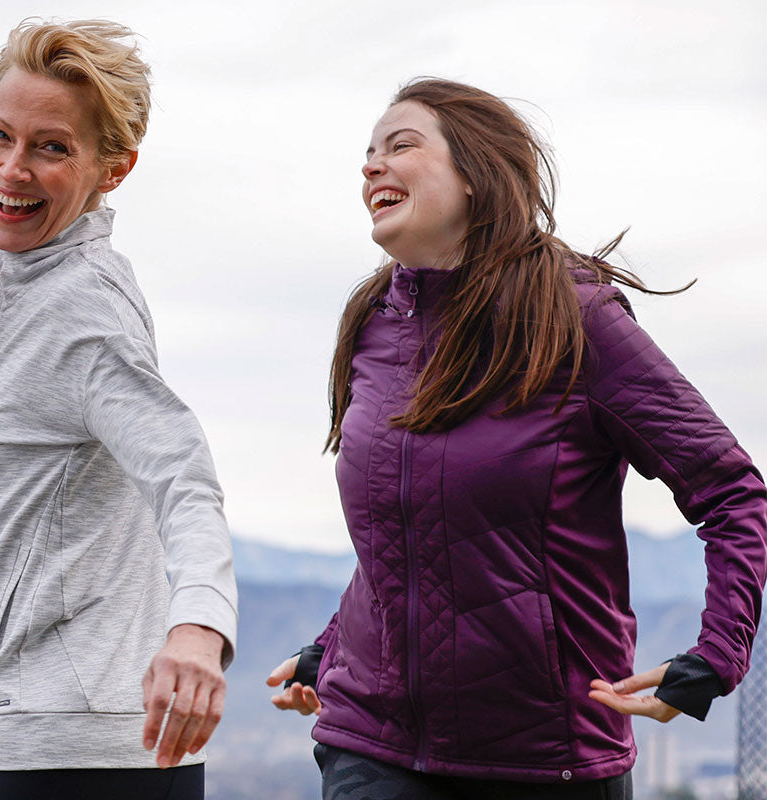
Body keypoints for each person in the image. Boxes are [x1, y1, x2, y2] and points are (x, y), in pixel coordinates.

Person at [265, 78, 767, 799]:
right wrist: (332, 648)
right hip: (371, 746)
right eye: (366, 154)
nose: (371, 166)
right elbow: (405, 533)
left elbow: (731, 491)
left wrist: (718, 654)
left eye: (400, 146)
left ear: (475, 174)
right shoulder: (373, 320)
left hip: (544, 759)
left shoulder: (574, 319)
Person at [0, 19, 237, 800]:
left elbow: (184, 474)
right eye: (1, 134)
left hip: (73, 758)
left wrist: (201, 630)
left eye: (52, 147)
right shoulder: (37, 290)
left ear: (115, 168)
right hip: (51, 746)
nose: (11, 168)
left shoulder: (82, 307)